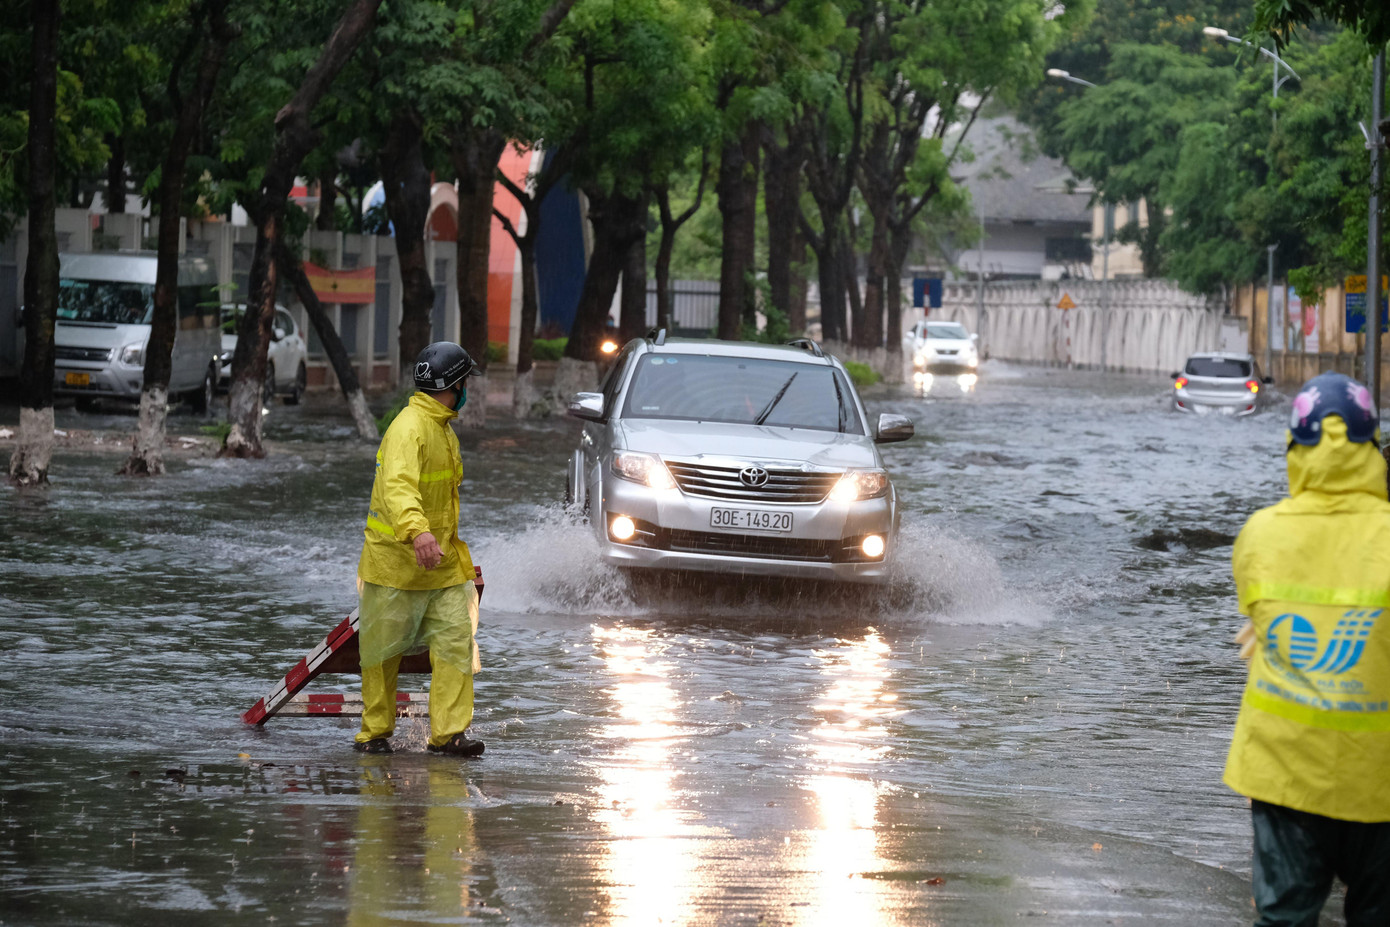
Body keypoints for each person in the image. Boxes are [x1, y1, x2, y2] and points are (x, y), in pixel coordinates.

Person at [1226, 371, 1390, 926]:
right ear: (1373, 448)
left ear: (1294, 448)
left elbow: (1262, 624)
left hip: (1284, 775)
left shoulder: (1259, 535)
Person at [354, 341, 484, 757]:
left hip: (440, 565)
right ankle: (375, 733)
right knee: (382, 655)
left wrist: (435, 541)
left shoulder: (442, 429)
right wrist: (418, 532)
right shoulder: (409, 429)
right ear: (453, 384)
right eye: (465, 382)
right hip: (395, 563)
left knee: (455, 644)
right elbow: (398, 487)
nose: (467, 389)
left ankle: (448, 735)